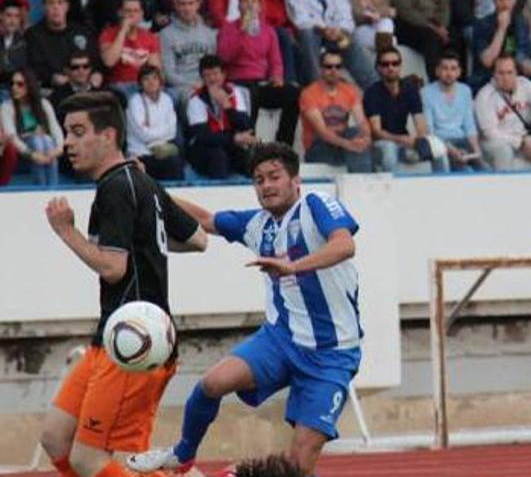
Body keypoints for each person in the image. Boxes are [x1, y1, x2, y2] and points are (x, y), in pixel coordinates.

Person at [127, 144, 363, 477]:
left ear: (295, 180)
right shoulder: (256, 224)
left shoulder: (315, 205)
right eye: (258, 180)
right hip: (281, 340)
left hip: (332, 354)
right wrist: (149, 186)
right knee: (212, 383)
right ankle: (182, 455)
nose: (266, 186)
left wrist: (292, 266)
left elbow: (344, 244)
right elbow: (206, 220)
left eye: (274, 177)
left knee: (299, 465)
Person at [39, 91, 207, 477]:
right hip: (111, 338)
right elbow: (197, 238)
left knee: (91, 459)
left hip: (135, 344)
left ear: (109, 135)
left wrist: (67, 232)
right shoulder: (140, 181)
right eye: (67, 132)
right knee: (55, 438)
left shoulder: (117, 187)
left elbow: (113, 268)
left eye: (79, 132)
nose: (69, 143)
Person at [216, 0, 299, 146]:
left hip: (261, 81)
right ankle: (249, 145)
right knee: (249, 94)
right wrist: (242, 32)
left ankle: (283, 144)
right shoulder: (228, 29)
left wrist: (277, 76)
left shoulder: (268, 31)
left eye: (254, 1)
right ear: (239, 6)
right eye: (245, 1)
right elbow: (224, 57)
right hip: (237, 82)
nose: (250, 5)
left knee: (293, 94)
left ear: (259, 6)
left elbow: (275, 60)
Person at [365, 46, 450, 173]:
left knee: (438, 148)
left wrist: (420, 140)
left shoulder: (410, 90)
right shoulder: (372, 93)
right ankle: (392, 189)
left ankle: (443, 186)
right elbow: (377, 132)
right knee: (388, 149)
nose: (391, 67)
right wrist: (402, 139)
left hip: (405, 143)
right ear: (378, 68)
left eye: (395, 63)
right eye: (385, 64)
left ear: (400, 66)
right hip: (380, 144)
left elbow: (421, 125)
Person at [286, 0, 377, 89]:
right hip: (312, 31)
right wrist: (323, 29)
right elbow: (299, 17)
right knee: (307, 36)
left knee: (349, 42)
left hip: (334, 31)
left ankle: (376, 89)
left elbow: (345, 13)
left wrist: (340, 30)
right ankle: (317, 88)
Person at [475, 53, 531, 171]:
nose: (505, 77)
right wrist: (520, 143)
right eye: (501, 73)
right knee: (504, 150)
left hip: (524, 138)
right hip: (494, 143)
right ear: (493, 74)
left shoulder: (524, 84)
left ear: (516, 73)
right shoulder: (484, 96)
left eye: (509, 72)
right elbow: (490, 133)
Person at [299, 49, 373, 173]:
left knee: (356, 133)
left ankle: (362, 183)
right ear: (320, 68)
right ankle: (361, 182)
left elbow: (362, 121)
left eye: (338, 67)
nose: (334, 71)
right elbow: (322, 132)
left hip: (342, 144)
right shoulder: (309, 94)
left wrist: (365, 137)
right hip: (319, 147)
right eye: (329, 67)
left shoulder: (349, 90)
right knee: (352, 142)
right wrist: (350, 145)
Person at [186, 55, 256, 179]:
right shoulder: (196, 99)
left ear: (223, 75)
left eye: (215, 73)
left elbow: (246, 126)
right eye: (207, 75)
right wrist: (233, 139)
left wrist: (226, 105)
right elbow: (203, 136)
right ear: (202, 78)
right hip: (205, 149)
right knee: (218, 157)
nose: (212, 79)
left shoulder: (235, 93)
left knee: (250, 160)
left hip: (230, 144)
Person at [25, 0, 102, 90]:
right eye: (51, 3)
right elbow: (34, 67)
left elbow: (96, 60)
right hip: (51, 89)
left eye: (60, 2)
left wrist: (97, 73)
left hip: (85, 88)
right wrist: (51, 77)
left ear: (67, 6)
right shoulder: (33, 35)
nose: (55, 7)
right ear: (43, 7)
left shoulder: (83, 31)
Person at [421, 50, 485, 171]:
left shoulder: (465, 90)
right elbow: (429, 131)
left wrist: (476, 150)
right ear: (437, 71)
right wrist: (450, 149)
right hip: (441, 143)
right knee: (466, 172)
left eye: (453, 69)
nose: (449, 73)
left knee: (485, 171)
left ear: (459, 72)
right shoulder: (426, 93)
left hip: (462, 141)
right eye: (445, 68)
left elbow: (469, 124)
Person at [470, 0, 531, 91]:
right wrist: (501, 29)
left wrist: (525, 63)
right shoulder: (482, 24)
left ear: (515, 0)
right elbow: (487, 61)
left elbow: (519, 53)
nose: (505, 3)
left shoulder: (520, 23)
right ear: (494, 1)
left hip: (514, 75)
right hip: (487, 77)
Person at [1, 69, 65, 185]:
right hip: (23, 149)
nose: (14, 87)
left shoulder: (44, 104)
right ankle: (42, 188)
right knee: (38, 141)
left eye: (20, 84)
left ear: (30, 85)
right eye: (12, 84)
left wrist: (59, 148)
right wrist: (32, 154)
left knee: (46, 140)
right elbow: (12, 136)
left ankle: (51, 187)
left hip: (46, 146)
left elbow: (55, 127)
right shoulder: (7, 107)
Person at [160, 0, 217, 103]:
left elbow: (214, 67)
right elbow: (168, 73)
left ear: (198, 4)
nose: (187, 8)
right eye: (182, 4)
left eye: (191, 3)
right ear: (176, 5)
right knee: (196, 101)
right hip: (181, 88)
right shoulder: (166, 34)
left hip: (206, 83)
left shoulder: (209, 34)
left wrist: (206, 83)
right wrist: (193, 85)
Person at [99, 0, 162, 96]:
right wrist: (123, 31)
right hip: (119, 86)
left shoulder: (149, 36)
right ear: (120, 12)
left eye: (136, 11)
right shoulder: (108, 34)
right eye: (128, 11)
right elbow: (109, 62)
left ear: (142, 14)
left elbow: (155, 69)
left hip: (144, 85)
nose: (132, 15)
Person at [127, 65, 183, 179]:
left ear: (160, 82)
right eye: (146, 79)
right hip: (141, 154)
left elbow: (172, 131)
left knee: (176, 160)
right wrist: (162, 132)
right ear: (140, 83)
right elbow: (144, 135)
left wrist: (152, 131)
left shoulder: (166, 99)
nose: (151, 82)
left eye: (154, 78)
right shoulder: (135, 102)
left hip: (164, 151)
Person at [391, 0, 451, 80]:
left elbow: (444, 5)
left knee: (456, 37)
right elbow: (406, 11)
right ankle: (435, 80)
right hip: (410, 25)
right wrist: (433, 27)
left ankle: (455, 83)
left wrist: (442, 26)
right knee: (431, 39)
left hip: (437, 23)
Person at [0, 0, 27, 81]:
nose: (13, 21)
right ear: (1, 15)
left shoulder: (24, 42)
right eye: (9, 15)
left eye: (16, 16)